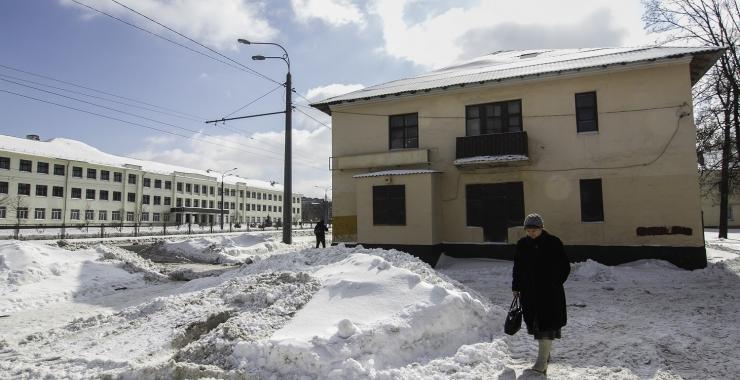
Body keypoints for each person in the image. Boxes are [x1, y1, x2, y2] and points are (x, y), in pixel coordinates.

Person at [512, 213, 570, 375]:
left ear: (541, 228)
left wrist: (555, 282)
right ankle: (545, 354)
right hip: (529, 292)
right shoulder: (522, 244)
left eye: (534, 230)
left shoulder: (553, 242)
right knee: (535, 323)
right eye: (528, 230)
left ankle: (541, 362)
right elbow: (517, 268)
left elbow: (564, 266)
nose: (531, 233)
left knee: (547, 323)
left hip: (549, 293)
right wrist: (516, 287)